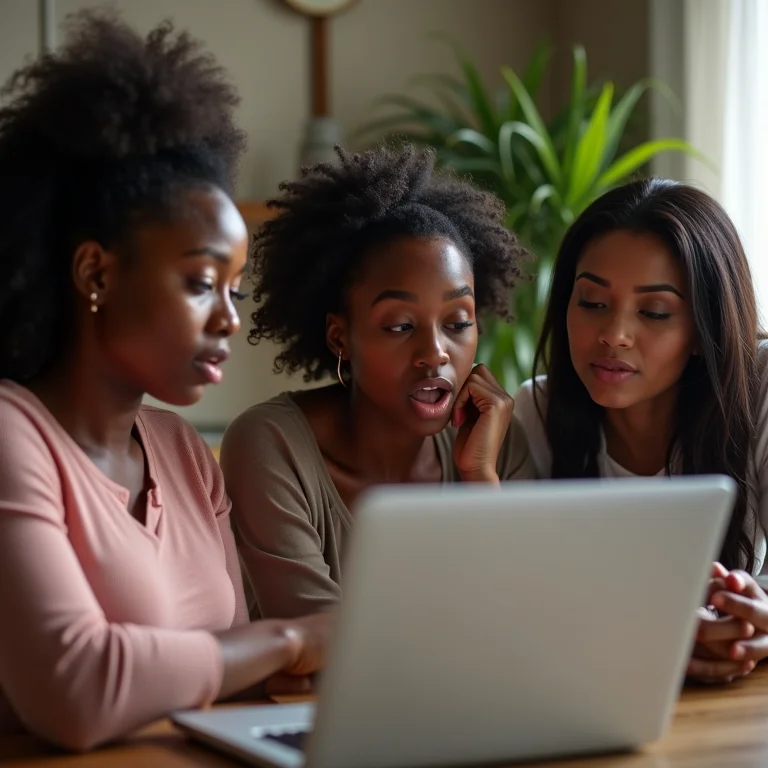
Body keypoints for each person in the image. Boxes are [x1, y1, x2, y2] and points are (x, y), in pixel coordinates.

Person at [0, 11, 330, 750]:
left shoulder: (182, 452)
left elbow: (229, 672)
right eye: (200, 282)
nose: (229, 320)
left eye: (236, 290)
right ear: (97, 272)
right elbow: (75, 690)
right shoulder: (12, 435)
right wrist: (294, 640)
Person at [221, 144, 534, 621]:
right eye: (399, 325)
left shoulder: (498, 444)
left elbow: (531, 626)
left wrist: (479, 481)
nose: (435, 352)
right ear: (340, 336)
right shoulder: (272, 447)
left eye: (457, 321)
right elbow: (322, 648)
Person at [513, 177, 768, 684]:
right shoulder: (535, 412)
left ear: (703, 329)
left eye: (653, 311)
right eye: (591, 303)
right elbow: (510, 604)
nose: (614, 335)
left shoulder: (759, 390)